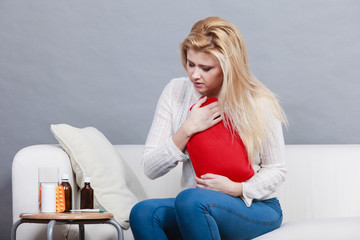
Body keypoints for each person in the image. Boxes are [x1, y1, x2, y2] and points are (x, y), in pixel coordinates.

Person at [130, 16, 287, 240]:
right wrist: (187, 129)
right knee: (143, 212)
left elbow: (277, 169)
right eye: (190, 64)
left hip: (254, 207)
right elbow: (150, 168)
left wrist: (236, 189)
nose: (195, 74)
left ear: (227, 67)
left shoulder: (258, 101)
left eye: (206, 68)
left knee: (190, 200)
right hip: (195, 205)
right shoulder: (177, 92)